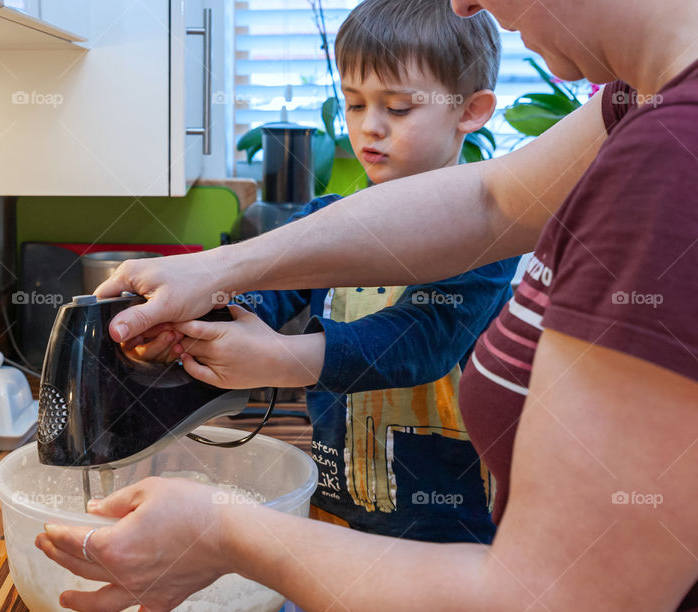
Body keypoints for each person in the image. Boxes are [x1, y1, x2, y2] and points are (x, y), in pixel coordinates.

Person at [36, 0, 698, 612]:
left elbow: (549, 611)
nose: (465, 3)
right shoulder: (642, 105)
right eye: (354, 104)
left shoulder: (671, 158)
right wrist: (219, 276)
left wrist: (223, 528)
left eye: (398, 106)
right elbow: (489, 204)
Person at [150, 0, 516, 542]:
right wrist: (201, 320)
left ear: (470, 110)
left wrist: (279, 359)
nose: (369, 128)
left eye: (398, 108)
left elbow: (420, 343)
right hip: (336, 504)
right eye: (354, 104)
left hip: (449, 525)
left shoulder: (493, 232)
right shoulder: (325, 222)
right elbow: (263, 295)